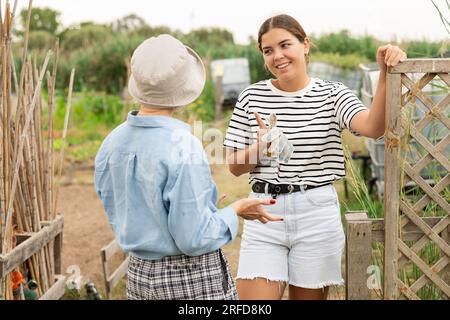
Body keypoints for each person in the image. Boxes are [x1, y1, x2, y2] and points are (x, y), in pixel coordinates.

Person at [224, 14, 407, 300]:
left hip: (316, 214)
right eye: (268, 50)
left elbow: (373, 127)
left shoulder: (332, 94)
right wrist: (259, 148)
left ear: (305, 45)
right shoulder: (251, 96)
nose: (278, 56)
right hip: (264, 215)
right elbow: (234, 166)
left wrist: (384, 72)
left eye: (285, 45)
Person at [94, 34, 282, 300]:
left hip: (137, 274)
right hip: (188, 279)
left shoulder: (112, 142)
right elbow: (194, 239)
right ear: (183, 90)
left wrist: (204, 208)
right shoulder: (183, 145)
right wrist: (234, 211)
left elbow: (131, 207)